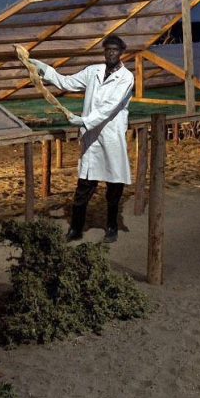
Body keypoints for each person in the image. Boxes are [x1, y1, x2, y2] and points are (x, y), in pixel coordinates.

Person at [29, 35, 134, 243]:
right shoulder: (92, 71)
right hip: (91, 138)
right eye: (107, 49)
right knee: (84, 184)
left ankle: (111, 226)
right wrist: (45, 70)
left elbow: (109, 107)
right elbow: (67, 82)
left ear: (121, 52)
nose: (111, 53)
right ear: (104, 51)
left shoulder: (126, 77)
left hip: (111, 137)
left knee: (113, 185)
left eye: (114, 50)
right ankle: (76, 229)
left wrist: (84, 120)